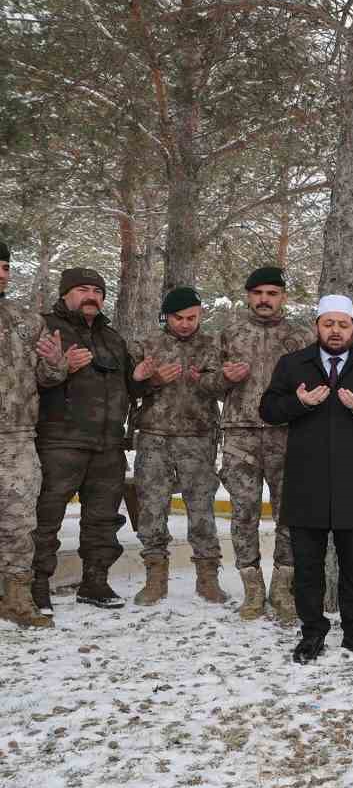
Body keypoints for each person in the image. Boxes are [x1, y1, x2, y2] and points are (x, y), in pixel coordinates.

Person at [259, 294, 353, 664]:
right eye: (328, 323)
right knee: (308, 564)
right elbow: (269, 410)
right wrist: (300, 404)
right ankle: (312, 633)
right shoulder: (293, 365)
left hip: (352, 483)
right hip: (306, 482)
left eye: (343, 324)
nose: (335, 331)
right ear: (317, 326)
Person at [33, 267, 146, 611]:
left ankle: (95, 581)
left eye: (98, 291)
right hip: (60, 441)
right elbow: (30, 381)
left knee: (102, 518)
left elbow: (130, 386)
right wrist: (60, 365)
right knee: (45, 517)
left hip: (108, 444)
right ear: (66, 293)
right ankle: (36, 585)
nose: (91, 296)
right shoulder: (45, 328)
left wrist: (141, 379)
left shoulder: (112, 338)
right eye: (83, 289)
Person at [218, 266, 311, 622]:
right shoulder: (230, 333)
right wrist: (223, 378)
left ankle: (282, 590)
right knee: (244, 514)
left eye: (272, 294)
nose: (264, 300)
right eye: (258, 293)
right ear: (248, 296)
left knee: (289, 515)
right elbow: (208, 384)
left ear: (283, 298)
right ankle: (252, 591)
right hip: (240, 435)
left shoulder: (301, 338)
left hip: (288, 435)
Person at [128, 286, 229, 606]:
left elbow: (225, 390)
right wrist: (149, 379)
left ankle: (207, 577)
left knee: (202, 510)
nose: (185, 324)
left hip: (198, 437)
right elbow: (129, 387)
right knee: (152, 508)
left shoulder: (213, 346)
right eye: (178, 318)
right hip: (154, 437)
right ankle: (155, 578)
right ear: (166, 316)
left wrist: (215, 379)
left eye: (192, 317)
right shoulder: (148, 345)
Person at [0, 241, 67, 628]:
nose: (2, 273)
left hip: (18, 437)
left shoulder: (28, 320)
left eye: (6, 266)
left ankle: (17, 599)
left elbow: (48, 379)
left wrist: (56, 362)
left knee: (19, 522)